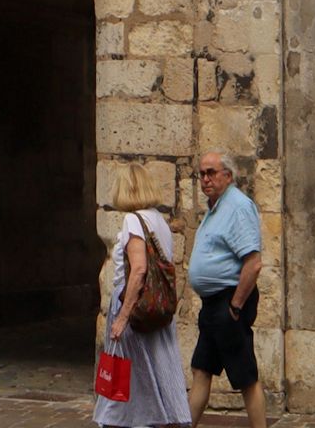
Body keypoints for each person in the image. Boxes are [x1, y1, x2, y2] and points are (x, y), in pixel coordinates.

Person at [94, 161, 190, 428]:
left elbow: (138, 271)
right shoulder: (158, 220)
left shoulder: (133, 221)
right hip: (155, 309)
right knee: (154, 373)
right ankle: (155, 419)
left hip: (135, 308)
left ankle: (122, 422)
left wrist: (122, 317)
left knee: (126, 376)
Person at [187, 152, 266, 428]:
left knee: (246, 377)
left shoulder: (237, 207)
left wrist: (235, 307)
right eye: (202, 174)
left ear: (228, 176)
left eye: (212, 172)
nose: (206, 179)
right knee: (202, 369)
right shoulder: (215, 207)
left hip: (228, 302)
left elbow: (253, 264)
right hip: (213, 305)